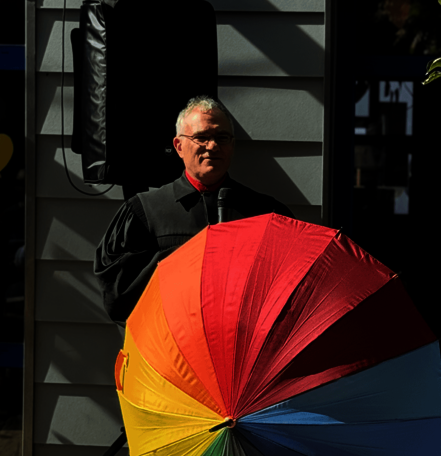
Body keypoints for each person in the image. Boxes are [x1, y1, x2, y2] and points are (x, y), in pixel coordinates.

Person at [94, 96, 294, 324]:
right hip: (173, 348)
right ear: (179, 146)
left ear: (232, 145)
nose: (213, 146)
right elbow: (119, 299)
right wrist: (184, 260)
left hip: (240, 345)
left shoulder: (266, 213)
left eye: (222, 138)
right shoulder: (144, 211)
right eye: (201, 137)